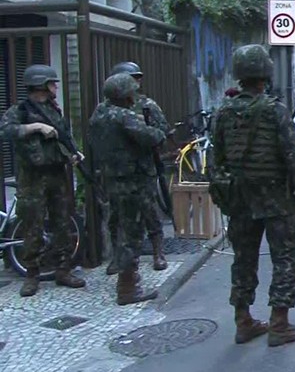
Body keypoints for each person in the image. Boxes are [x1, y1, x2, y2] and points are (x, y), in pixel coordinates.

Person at [209, 44, 295, 346]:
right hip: (275, 196)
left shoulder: (222, 113)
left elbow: (216, 160)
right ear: (265, 73)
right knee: (284, 258)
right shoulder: (275, 110)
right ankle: (279, 322)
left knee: (243, 258)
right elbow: (294, 157)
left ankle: (244, 320)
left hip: (239, 198)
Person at [0, 65, 86, 297]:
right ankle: (32, 274)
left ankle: (63, 269)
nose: (55, 87)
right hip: (32, 178)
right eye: (52, 83)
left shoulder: (54, 110)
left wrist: (73, 154)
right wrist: (35, 127)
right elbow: (5, 131)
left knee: (62, 222)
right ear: (40, 85)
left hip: (56, 175)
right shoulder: (20, 110)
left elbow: (63, 138)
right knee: (32, 226)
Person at [88, 74, 166, 305]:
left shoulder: (99, 115)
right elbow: (152, 136)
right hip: (133, 181)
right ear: (125, 95)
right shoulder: (123, 117)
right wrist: (157, 132)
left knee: (120, 227)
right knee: (132, 234)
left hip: (113, 180)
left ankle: (127, 280)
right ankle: (128, 287)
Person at [103, 61, 170, 274]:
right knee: (115, 216)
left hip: (143, 167)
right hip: (117, 171)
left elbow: (162, 130)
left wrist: (146, 128)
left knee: (150, 212)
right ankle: (116, 257)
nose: (137, 82)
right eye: (132, 78)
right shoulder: (107, 108)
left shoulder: (148, 105)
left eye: (137, 78)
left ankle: (159, 252)